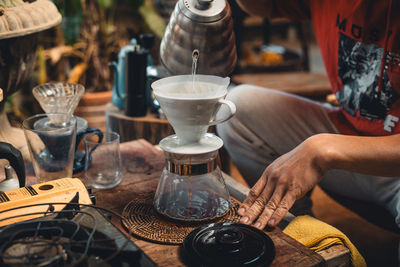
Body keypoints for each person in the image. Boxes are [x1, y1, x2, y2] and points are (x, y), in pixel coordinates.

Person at [216, 0, 400, 233]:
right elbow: (262, 6)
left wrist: (321, 149)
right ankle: (303, 232)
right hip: (350, 133)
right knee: (238, 107)